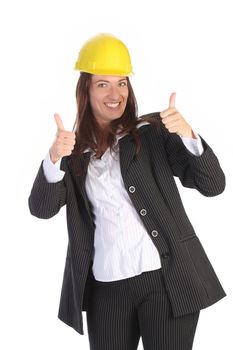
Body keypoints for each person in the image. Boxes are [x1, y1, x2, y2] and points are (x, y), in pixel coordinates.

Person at [28, 33, 226, 350]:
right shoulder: (74, 152)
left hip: (166, 282)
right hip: (107, 289)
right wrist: (53, 158)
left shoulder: (152, 133)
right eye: (103, 84)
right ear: (86, 90)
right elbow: (41, 208)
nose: (115, 93)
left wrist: (188, 135)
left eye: (122, 83)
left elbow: (213, 185)